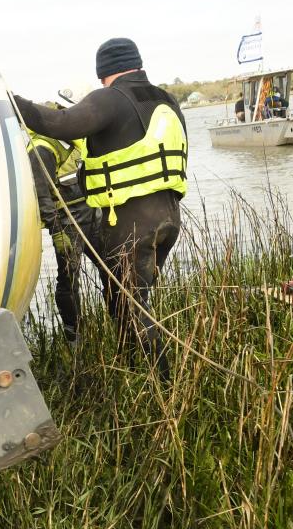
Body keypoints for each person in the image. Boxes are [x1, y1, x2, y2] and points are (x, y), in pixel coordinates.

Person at [14, 37, 187, 376]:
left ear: (106, 72)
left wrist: (11, 101)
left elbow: (59, 124)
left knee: (130, 305)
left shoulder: (112, 97)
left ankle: (164, 384)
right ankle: (132, 370)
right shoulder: (166, 99)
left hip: (133, 225)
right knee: (121, 298)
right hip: (169, 219)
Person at [27, 129, 94, 343]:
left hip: (92, 214)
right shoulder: (41, 148)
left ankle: (122, 324)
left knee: (112, 269)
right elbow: (41, 195)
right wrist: (57, 231)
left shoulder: (73, 139)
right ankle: (74, 336)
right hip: (67, 223)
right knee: (69, 280)